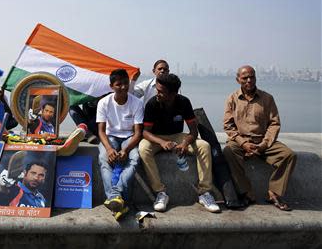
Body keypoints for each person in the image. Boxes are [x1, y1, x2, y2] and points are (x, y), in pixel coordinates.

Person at [139, 73, 221, 213]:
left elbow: (193, 132)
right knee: (143, 149)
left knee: (204, 146)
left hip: (177, 136)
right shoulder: (152, 104)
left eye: (161, 91)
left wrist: (184, 143)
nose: (157, 94)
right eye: (157, 90)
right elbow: (145, 132)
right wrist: (162, 142)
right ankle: (160, 192)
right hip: (157, 137)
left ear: (173, 94)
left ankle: (204, 193)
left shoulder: (184, 102)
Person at [223, 65, 296, 211]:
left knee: (289, 155)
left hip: (263, 142)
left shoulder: (267, 98)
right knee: (229, 151)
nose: (249, 80)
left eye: (252, 77)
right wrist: (243, 143)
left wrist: (263, 145)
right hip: (241, 142)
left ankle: (273, 193)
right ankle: (247, 192)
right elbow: (228, 126)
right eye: (245, 78)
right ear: (238, 80)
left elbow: (274, 124)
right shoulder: (232, 99)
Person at [96, 69, 144, 220]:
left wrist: (126, 149)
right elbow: (101, 131)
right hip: (110, 136)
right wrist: (110, 149)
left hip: (129, 137)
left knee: (134, 158)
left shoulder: (136, 103)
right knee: (104, 159)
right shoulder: (104, 103)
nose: (123, 87)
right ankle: (119, 200)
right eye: (119, 84)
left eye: (125, 83)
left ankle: (115, 196)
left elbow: (138, 133)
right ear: (112, 86)